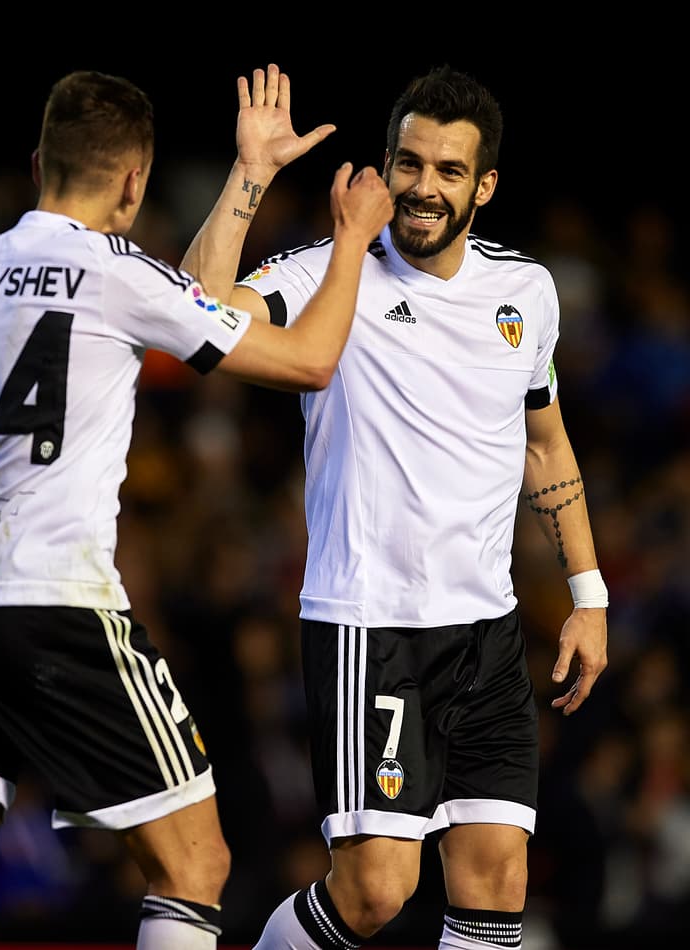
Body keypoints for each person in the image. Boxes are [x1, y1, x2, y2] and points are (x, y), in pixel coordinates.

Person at [0, 65, 392, 950]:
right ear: (134, 180)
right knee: (193, 867)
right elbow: (310, 360)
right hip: (58, 607)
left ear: (40, 159)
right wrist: (352, 239)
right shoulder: (114, 271)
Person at [206, 65, 609, 950]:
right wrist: (250, 177)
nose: (425, 186)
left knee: (499, 873)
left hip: (489, 631)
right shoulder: (325, 272)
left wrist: (589, 593)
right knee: (375, 895)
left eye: (450, 170)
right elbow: (197, 318)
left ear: (485, 186)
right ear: (383, 167)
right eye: (410, 163)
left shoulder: (526, 294)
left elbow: (545, 444)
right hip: (371, 627)